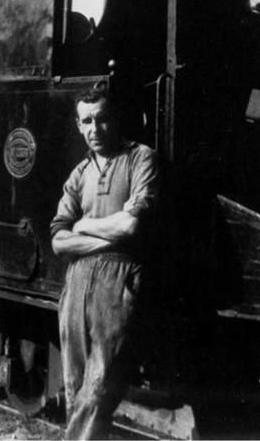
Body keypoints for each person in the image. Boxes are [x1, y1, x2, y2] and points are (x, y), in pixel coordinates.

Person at [50, 87, 160, 440]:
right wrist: (102, 234)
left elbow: (131, 225)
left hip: (120, 278)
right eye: (87, 121)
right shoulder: (79, 173)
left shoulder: (141, 158)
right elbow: (57, 239)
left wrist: (83, 226)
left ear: (115, 119)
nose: (95, 128)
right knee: (76, 384)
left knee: (100, 387)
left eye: (102, 118)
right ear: (79, 126)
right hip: (78, 280)